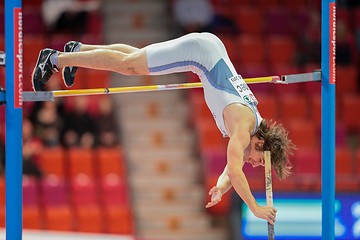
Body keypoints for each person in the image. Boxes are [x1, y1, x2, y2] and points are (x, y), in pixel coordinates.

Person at [31, 32, 295, 225]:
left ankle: (79, 50)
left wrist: (219, 187)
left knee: (135, 57)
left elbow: (230, 171)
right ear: (261, 143)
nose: (254, 163)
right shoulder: (243, 123)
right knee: (132, 65)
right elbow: (236, 170)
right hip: (202, 54)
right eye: (259, 161)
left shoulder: (253, 127)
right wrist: (256, 209)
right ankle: (55, 59)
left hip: (209, 52)